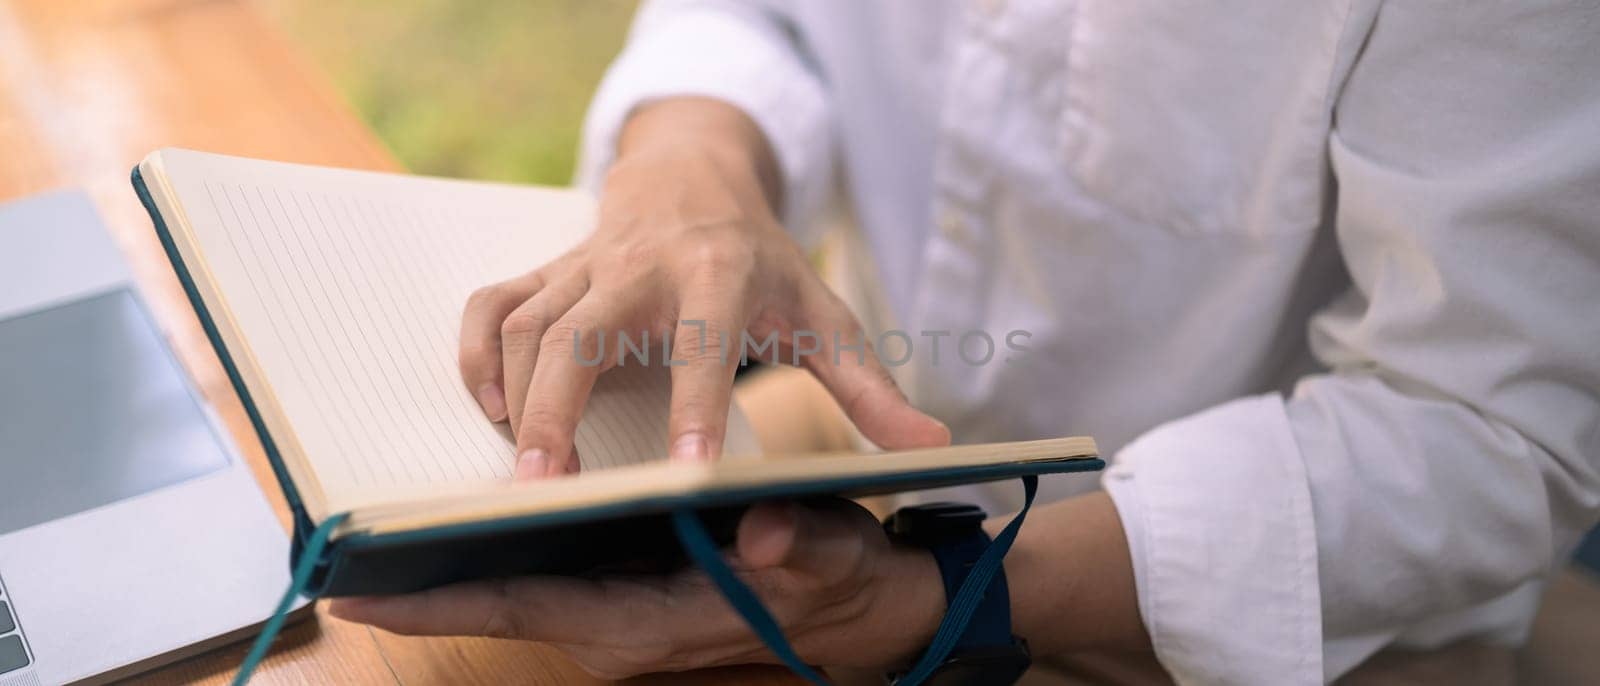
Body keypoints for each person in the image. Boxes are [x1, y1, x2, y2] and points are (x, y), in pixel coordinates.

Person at [329, 1, 1600, 683]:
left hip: (1304, 621)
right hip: (866, 489)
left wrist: (953, 597)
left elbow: (1490, 422)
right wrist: (690, 160)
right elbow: (755, 19)